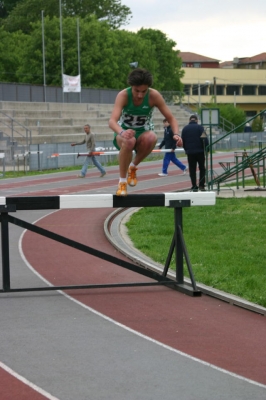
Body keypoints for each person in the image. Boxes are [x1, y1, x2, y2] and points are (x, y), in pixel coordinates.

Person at [109, 68, 179, 196]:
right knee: (129, 141)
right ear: (131, 87)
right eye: (137, 91)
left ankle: (133, 166)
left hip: (143, 133)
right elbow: (112, 121)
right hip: (124, 133)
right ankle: (122, 183)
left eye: (144, 91)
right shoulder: (123, 95)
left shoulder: (154, 96)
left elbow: (171, 118)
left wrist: (176, 134)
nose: (140, 95)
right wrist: (122, 132)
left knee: (152, 137)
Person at [181, 114, 209, 192]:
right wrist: (207, 148)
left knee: (192, 169)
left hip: (190, 152)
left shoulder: (185, 129)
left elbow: (183, 141)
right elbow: (205, 139)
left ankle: (194, 186)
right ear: (197, 120)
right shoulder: (200, 128)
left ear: (189, 120)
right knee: (202, 168)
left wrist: (186, 149)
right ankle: (201, 185)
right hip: (200, 152)